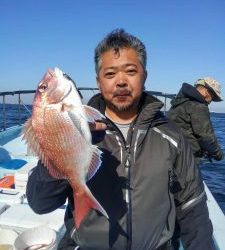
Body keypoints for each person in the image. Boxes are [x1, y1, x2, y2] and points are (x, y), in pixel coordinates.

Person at [26, 29, 216, 250]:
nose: (121, 82)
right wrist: (60, 149)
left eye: (131, 71)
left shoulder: (172, 136)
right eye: (110, 74)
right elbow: (39, 204)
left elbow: (192, 207)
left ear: (144, 75)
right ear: (98, 81)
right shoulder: (79, 128)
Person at [168, 78, 224, 164]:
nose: (210, 101)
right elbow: (206, 138)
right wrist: (219, 155)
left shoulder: (179, 102)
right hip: (186, 159)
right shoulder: (198, 106)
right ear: (207, 92)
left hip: (171, 153)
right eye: (213, 97)